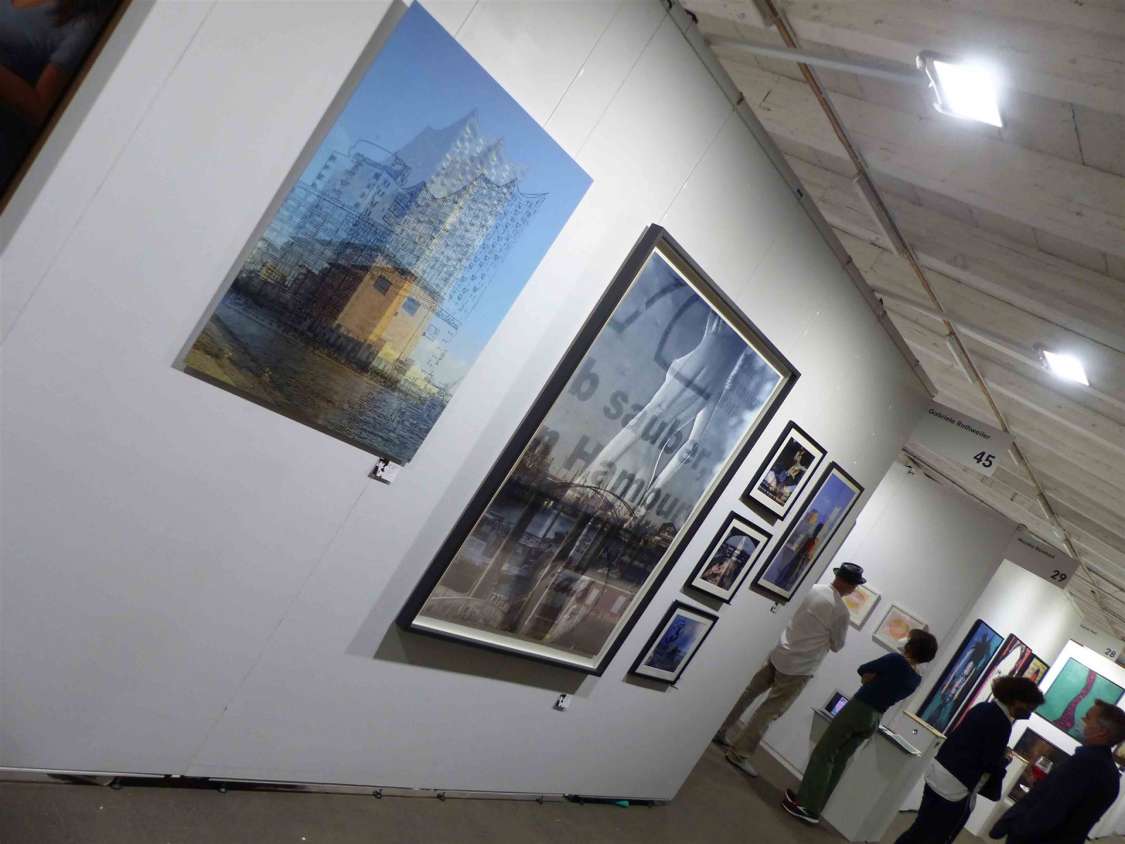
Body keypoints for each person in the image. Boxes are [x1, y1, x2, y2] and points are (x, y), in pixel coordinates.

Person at [715, 562, 864, 777]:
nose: (854, 589)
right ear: (850, 585)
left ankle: (719, 729)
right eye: (855, 585)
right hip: (800, 667)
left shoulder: (813, 589)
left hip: (780, 651)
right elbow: (837, 645)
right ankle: (739, 753)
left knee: (748, 694)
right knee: (768, 712)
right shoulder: (840, 612)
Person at [782, 628, 939, 824]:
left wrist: (871, 679)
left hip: (859, 709)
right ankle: (812, 805)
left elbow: (863, 669)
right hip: (875, 718)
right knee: (839, 761)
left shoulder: (895, 660)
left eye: (910, 639)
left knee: (824, 753)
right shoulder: (915, 680)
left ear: (912, 646)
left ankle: (807, 805)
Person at [896, 676, 1045, 844]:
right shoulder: (1002, 723)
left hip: (938, 771)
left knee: (920, 828)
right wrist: (1004, 760)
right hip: (956, 786)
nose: (1028, 713)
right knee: (936, 837)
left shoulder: (983, 707)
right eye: (1029, 707)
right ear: (1016, 699)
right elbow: (989, 762)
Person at [989, 699, 1125, 843]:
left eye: (1088, 718)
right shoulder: (1108, 772)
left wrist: (1018, 829)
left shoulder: (1086, 764)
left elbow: (1052, 809)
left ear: (1102, 731)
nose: (1082, 720)